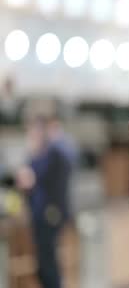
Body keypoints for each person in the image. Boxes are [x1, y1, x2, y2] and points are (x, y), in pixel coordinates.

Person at [16, 114, 75, 288]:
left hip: (50, 214)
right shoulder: (40, 154)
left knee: (48, 261)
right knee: (43, 261)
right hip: (40, 214)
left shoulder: (56, 152)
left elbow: (34, 179)